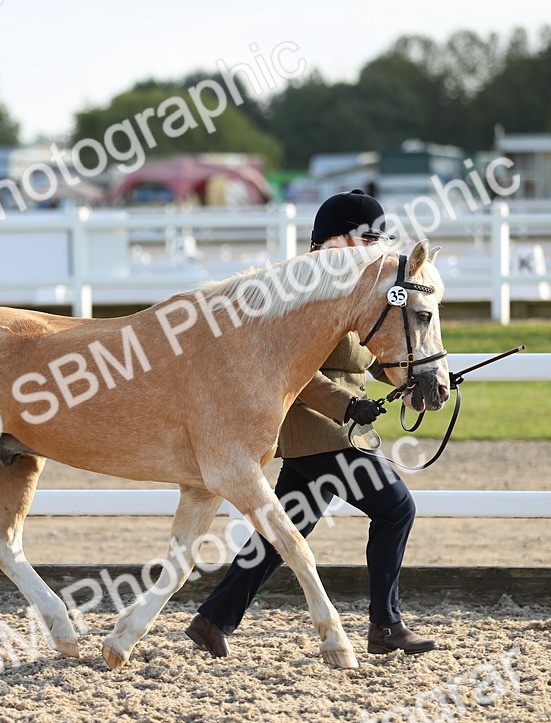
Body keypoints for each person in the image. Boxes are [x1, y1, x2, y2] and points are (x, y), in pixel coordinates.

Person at [185, 188, 438, 658]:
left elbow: (366, 353)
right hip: (320, 429)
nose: (376, 251)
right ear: (340, 239)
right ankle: (386, 625)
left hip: (327, 431)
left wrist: (414, 378)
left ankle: (213, 620)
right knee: (396, 509)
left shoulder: (352, 285)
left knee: (286, 529)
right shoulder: (306, 288)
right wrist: (348, 406)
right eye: (369, 241)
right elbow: (297, 371)